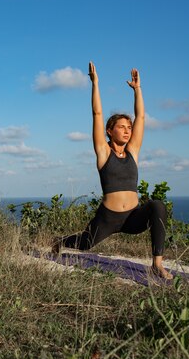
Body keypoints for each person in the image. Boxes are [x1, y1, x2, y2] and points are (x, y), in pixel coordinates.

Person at [52, 61, 172, 279]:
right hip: (108, 218)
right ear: (110, 131)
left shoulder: (132, 151)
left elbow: (142, 118)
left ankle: (157, 263)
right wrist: (95, 83)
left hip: (133, 218)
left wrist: (137, 90)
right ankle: (60, 241)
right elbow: (97, 114)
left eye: (129, 128)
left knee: (157, 206)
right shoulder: (103, 152)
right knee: (85, 243)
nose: (127, 131)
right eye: (121, 127)